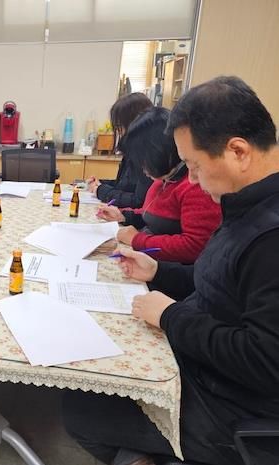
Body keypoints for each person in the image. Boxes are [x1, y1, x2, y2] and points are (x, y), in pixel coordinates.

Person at [63, 76, 279, 465]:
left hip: (231, 406)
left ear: (238, 151)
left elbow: (264, 361)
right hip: (202, 362)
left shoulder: (270, 236)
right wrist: (158, 272)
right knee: (94, 374)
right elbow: (216, 281)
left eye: (194, 166)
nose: (190, 179)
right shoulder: (244, 205)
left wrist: (170, 316)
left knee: (83, 411)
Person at [96, 107, 221, 264]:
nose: (142, 170)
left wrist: (137, 239)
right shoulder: (164, 179)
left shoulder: (195, 185)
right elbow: (153, 214)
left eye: (143, 162)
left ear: (159, 152)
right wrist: (122, 215)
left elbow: (194, 246)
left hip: (169, 269)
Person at [86, 92, 154, 208]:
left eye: (120, 127)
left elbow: (138, 201)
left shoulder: (148, 156)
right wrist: (101, 183)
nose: (120, 133)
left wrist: (101, 190)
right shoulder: (131, 150)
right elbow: (123, 185)